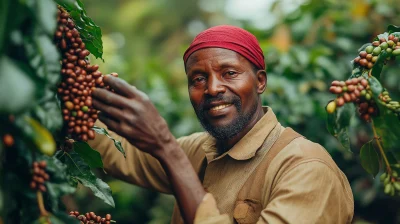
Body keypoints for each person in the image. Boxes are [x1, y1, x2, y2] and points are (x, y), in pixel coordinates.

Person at [89, 25, 354, 224]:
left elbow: (167, 153)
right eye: (198, 79)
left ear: (260, 81)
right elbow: (120, 154)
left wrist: (166, 148)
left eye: (230, 73)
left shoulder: (306, 168)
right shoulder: (201, 150)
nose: (213, 88)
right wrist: (71, 93)